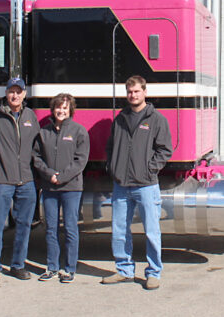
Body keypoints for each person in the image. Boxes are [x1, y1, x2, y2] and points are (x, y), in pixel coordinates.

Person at [101, 75, 173, 290]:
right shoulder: (120, 119)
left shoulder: (157, 119)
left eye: (136, 91)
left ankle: (153, 273)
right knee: (120, 230)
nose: (133, 95)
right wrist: (112, 168)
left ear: (144, 92)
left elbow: (165, 150)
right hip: (121, 185)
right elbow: (111, 147)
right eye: (130, 92)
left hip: (146, 185)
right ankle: (124, 270)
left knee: (152, 231)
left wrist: (149, 169)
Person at [0, 77, 40, 284]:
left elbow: (38, 148)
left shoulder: (31, 116)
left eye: (18, 92)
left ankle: (18, 265)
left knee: (24, 226)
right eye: (11, 91)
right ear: (6, 93)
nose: (15, 95)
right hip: (1, 181)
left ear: (24, 94)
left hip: (26, 182)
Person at [33, 93, 90, 283]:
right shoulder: (43, 132)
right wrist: (50, 175)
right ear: (53, 109)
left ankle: (70, 269)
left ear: (70, 110)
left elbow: (80, 161)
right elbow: (37, 158)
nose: (61, 111)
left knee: (71, 229)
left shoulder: (79, 131)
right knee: (50, 228)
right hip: (50, 188)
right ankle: (52, 267)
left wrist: (62, 177)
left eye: (65, 108)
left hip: (71, 188)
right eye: (58, 107)